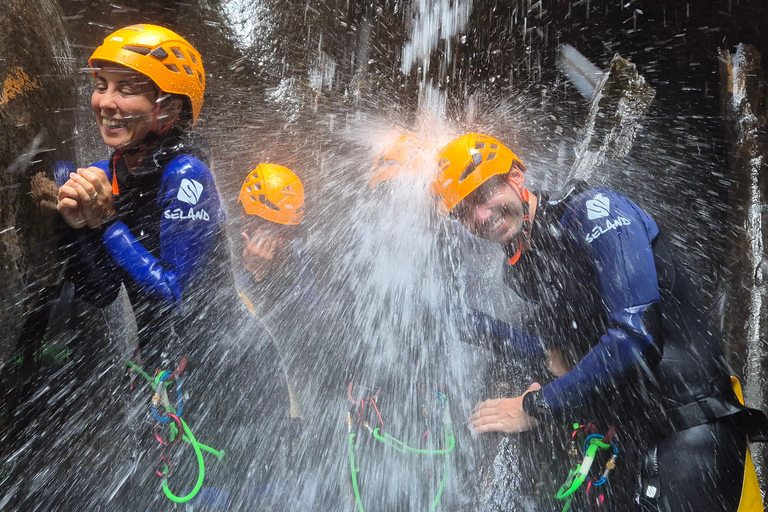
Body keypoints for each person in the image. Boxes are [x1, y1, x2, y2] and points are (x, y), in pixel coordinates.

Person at [431, 133, 768, 511]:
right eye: (462, 211)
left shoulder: (596, 211)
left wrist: (536, 405)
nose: (478, 216)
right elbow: (557, 357)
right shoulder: (525, 267)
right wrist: (466, 322)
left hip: (692, 430)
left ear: (515, 178)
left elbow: (636, 336)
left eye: (482, 196)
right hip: (633, 439)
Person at [52, 24, 292, 509]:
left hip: (233, 374)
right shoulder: (116, 169)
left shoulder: (186, 174)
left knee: (239, 496)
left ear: (170, 106)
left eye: (129, 89)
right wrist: (74, 223)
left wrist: (108, 224)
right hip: (169, 371)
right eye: (102, 85)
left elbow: (178, 296)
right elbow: (100, 293)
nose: (107, 101)